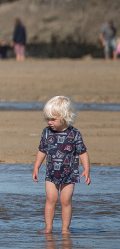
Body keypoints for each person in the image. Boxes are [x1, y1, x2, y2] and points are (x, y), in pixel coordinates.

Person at [33, 95, 90, 234]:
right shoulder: (47, 132)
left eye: (53, 119)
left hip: (69, 174)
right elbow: (42, 150)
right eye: (47, 118)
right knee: (50, 199)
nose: (49, 122)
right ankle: (48, 227)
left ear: (65, 116)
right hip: (51, 173)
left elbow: (82, 152)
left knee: (65, 201)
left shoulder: (74, 133)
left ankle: (65, 229)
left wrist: (87, 168)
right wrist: (36, 166)